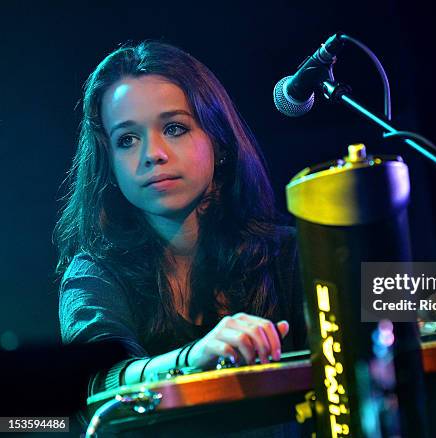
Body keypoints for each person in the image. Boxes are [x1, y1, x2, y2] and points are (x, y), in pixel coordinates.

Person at [55, 41, 307, 395]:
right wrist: (191, 359)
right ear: (108, 163)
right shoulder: (94, 274)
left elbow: (403, 308)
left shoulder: (289, 252)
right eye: (127, 139)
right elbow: (96, 383)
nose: (153, 154)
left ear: (218, 141)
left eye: (174, 128)